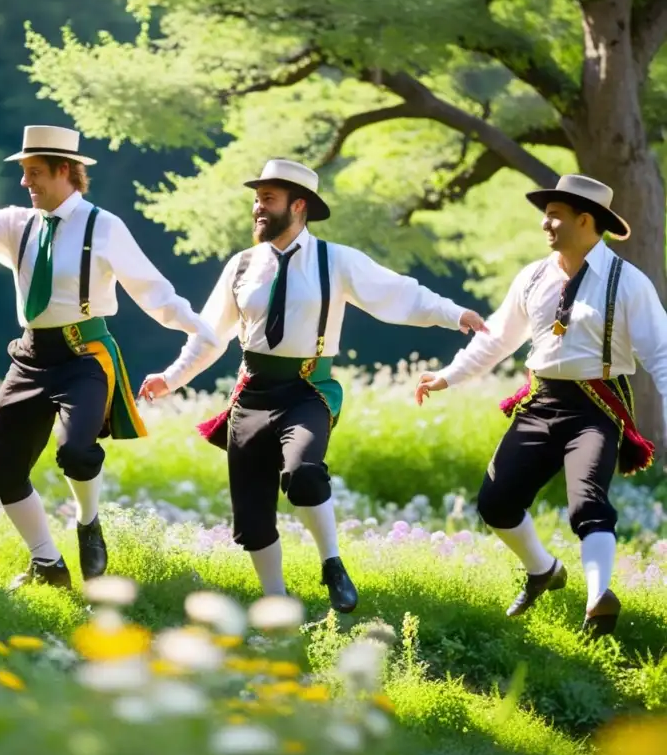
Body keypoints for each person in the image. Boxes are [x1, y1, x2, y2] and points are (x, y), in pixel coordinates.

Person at [0, 125, 218, 590]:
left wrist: (200, 333)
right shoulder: (17, 224)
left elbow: (156, 294)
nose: (25, 183)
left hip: (86, 355)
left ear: (66, 171)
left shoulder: (103, 227)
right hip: (31, 357)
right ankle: (47, 565)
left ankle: (88, 524)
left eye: (34, 173)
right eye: (24, 173)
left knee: (76, 451)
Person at [137, 159, 488, 612]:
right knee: (252, 517)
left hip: (308, 391)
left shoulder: (335, 260)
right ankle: (277, 606)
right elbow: (209, 335)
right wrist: (171, 377)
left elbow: (399, 294)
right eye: (256, 200)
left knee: (302, 474)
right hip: (252, 395)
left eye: (268, 200)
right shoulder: (241, 266)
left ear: (298, 206)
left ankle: (332, 564)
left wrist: (452, 313)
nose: (258, 209)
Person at [414, 174, 667, 639]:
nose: (546, 223)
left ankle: (597, 600)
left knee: (588, 503)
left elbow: (662, 356)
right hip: (540, 400)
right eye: (546, 214)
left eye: (555, 215)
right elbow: (498, 340)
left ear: (585, 220)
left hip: (597, 406)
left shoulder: (628, 283)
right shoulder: (532, 276)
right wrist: (448, 376)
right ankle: (543, 570)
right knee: (495, 503)